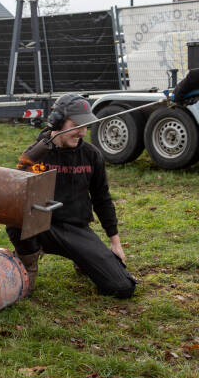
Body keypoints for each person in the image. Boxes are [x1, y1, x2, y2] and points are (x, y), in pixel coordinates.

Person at [7, 94, 136, 298]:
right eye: (76, 125)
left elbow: (102, 198)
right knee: (15, 214)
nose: (83, 132)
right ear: (57, 122)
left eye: (86, 126)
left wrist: (115, 242)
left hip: (75, 229)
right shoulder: (37, 153)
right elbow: (16, 186)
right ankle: (28, 264)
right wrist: (42, 149)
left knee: (123, 287)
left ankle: (82, 258)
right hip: (41, 227)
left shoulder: (91, 155)